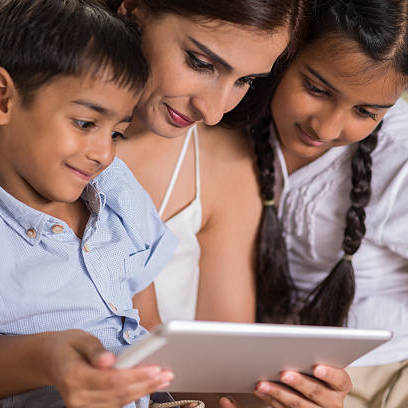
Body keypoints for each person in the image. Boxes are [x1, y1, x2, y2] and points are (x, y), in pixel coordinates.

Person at [116, 1, 351, 407]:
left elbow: (219, 384)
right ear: (134, 9)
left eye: (245, 80)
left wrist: (286, 399)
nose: (212, 110)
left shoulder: (223, 164)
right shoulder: (29, 136)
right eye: (201, 62)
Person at [0, 1, 177, 407]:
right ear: (4, 99)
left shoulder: (115, 189)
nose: (104, 154)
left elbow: (148, 328)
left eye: (117, 133)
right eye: (84, 123)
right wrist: (45, 359)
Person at [250, 0, 408, 407]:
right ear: (287, 49)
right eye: (317, 89)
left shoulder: (400, 159)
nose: (327, 127)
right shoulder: (236, 107)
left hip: (383, 375)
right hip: (272, 367)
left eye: (366, 112)